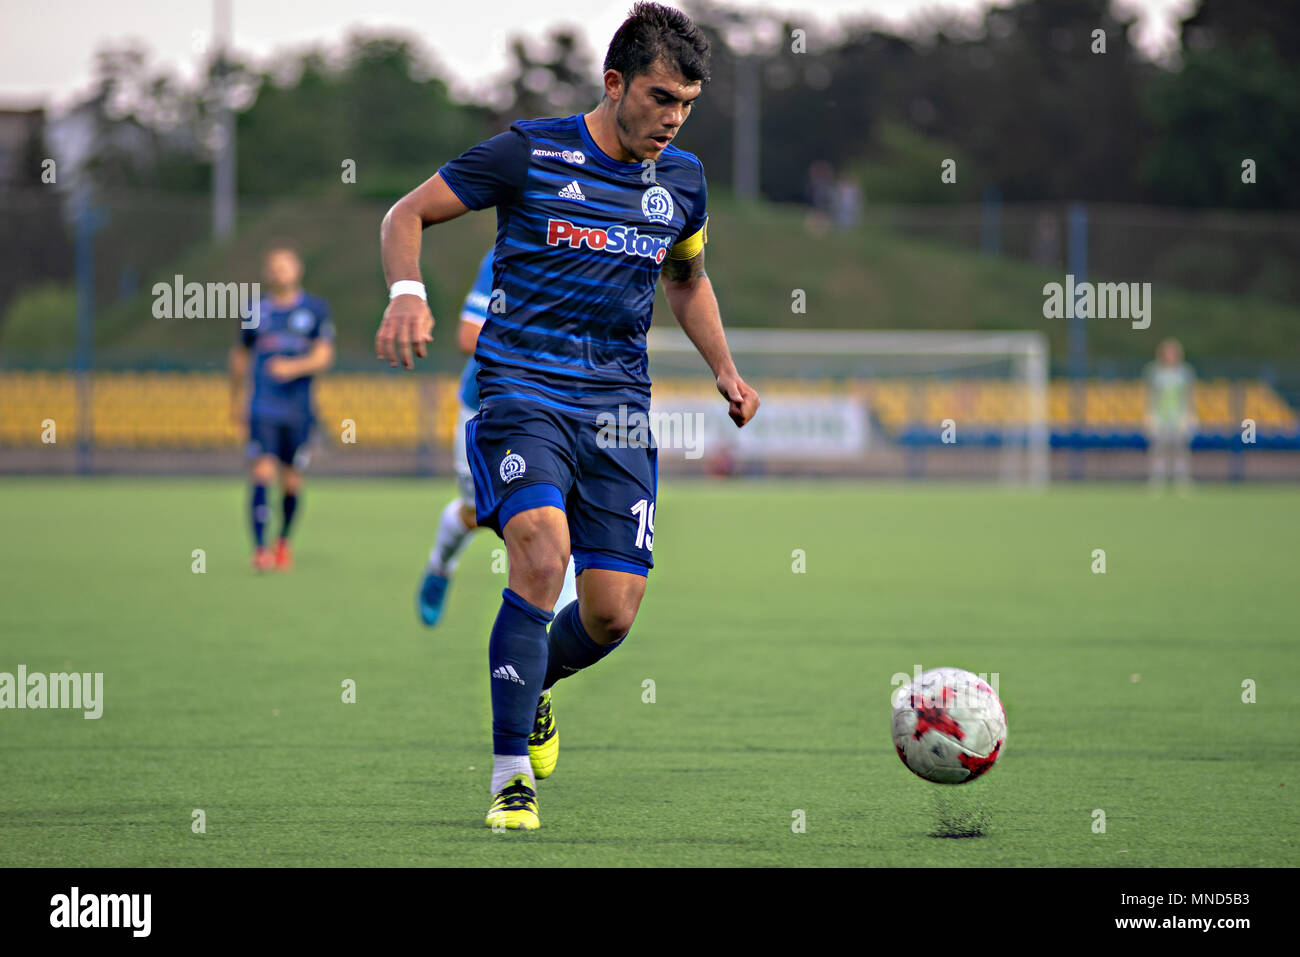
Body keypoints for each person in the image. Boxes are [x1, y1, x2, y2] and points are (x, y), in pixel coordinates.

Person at [376, 2, 759, 829]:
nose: (672, 119)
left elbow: (686, 281)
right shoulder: (529, 151)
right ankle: (511, 776)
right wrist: (407, 293)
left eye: (686, 105)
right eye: (660, 98)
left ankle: (535, 683)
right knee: (542, 557)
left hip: (619, 411)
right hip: (521, 392)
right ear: (615, 82)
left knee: (612, 612)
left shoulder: (681, 183)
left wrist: (724, 369)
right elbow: (405, 213)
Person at [417, 249, 578, 625]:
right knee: (475, 513)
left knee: (559, 523)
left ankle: (549, 646)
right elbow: (468, 335)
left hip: (553, 412)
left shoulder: (593, 252)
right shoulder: (506, 255)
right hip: (487, 408)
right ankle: (441, 564)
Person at [229, 243, 335, 571]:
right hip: (263, 407)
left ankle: (282, 542)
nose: (279, 271)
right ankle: (260, 550)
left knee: (291, 480)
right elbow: (239, 355)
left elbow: (323, 356)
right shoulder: (256, 311)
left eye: (285, 265)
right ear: (266, 273)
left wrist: (292, 367)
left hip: (299, 410)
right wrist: (236, 399)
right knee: (261, 471)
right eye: (273, 266)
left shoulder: (315, 310)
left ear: (298, 270)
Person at [1143, 337, 1196, 489]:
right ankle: (1157, 480)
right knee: (1159, 449)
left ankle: (1182, 480)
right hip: (1160, 417)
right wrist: (1150, 415)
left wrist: (1189, 415)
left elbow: (1188, 397)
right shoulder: (1155, 373)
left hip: (1179, 417)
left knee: (1181, 449)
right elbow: (1151, 397)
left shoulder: (1184, 373)